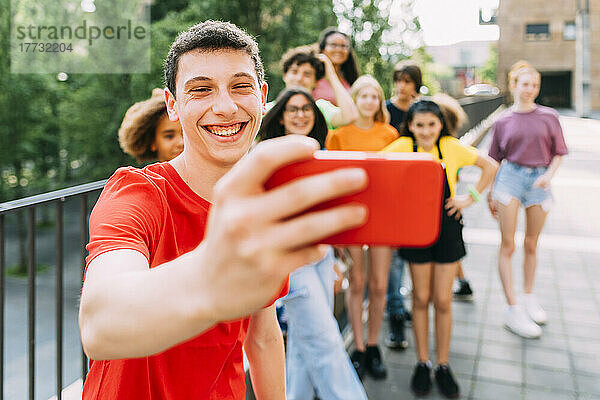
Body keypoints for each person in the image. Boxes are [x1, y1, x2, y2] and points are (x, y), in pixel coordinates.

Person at [78, 21, 369, 400]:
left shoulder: (262, 207)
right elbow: (101, 326)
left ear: (262, 97)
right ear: (173, 105)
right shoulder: (138, 192)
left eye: (240, 86)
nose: (226, 107)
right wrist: (212, 275)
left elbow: (262, 336)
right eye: (201, 89)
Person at [382, 100, 498, 398]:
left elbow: (490, 166)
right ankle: (422, 362)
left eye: (431, 124)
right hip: (415, 230)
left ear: (440, 124)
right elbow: (373, 168)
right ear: (410, 125)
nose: (425, 131)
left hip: (447, 228)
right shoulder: (402, 147)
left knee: (443, 301)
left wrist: (468, 197)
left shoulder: (451, 146)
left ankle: (443, 366)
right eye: (419, 125)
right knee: (420, 298)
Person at [258, 87, 367, 400]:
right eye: (291, 109)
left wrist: (333, 260)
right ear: (280, 117)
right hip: (292, 264)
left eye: (306, 108)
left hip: (321, 256)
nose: (300, 114)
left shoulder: (319, 153)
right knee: (326, 343)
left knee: (305, 347)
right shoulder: (265, 156)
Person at [487, 61, 568, 338]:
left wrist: (549, 176)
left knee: (531, 244)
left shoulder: (549, 117)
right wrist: (489, 192)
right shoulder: (502, 121)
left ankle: (529, 297)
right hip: (509, 177)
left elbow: (558, 152)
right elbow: (493, 160)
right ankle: (512, 308)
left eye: (535, 85)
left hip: (539, 181)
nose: (530, 89)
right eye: (525, 84)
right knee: (508, 245)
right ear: (514, 86)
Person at [326, 75, 398, 380]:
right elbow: (330, 180)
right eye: (363, 96)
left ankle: (373, 345)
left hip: (382, 215)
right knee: (357, 282)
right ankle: (358, 346)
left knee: (379, 285)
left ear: (380, 102)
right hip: (351, 215)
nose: (369, 101)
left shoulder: (390, 134)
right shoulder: (338, 135)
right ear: (353, 100)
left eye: (374, 96)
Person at [384, 61, 423, 350]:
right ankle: (395, 308)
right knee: (394, 257)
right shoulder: (386, 109)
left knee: (414, 253)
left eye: (408, 80)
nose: (402, 85)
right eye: (399, 80)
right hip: (393, 189)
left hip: (417, 190)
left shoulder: (423, 109)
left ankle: (404, 301)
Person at [432, 93, 475, 302]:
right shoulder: (451, 145)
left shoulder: (450, 148)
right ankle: (463, 281)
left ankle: (461, 281)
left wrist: (469, 198)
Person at [271, 45, 358, 128]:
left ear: (316, 82)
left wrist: (331, 75)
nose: (299, 78)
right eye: (294, 71)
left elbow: (350, 116)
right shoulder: (268, 109)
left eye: (307, 74)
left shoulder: (321, 109)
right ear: (285, 75)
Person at [118, 88, 184, 163]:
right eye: (169, 136)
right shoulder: (139, 174)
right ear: (152, 142)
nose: (181, 143)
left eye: (185, 134)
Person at [313, 27, 360, 106]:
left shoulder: (351, 79)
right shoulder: (313, 76)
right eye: (333, 45)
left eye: (343, 46)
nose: (339, 49)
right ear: (323, 49)